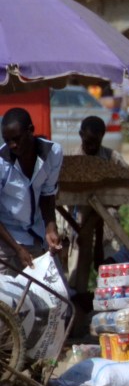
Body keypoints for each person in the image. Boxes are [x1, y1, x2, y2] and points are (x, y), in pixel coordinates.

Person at [0, 108, 63, 274]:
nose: (12, 145)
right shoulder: (1, 163)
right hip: (4, 235)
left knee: (39, 284)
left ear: (31, 130)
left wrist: (50, 228)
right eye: (7, 140)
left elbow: (47, 194)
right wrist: (17, 248)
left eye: (16, 139)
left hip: (33, 233)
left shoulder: (53, 153)